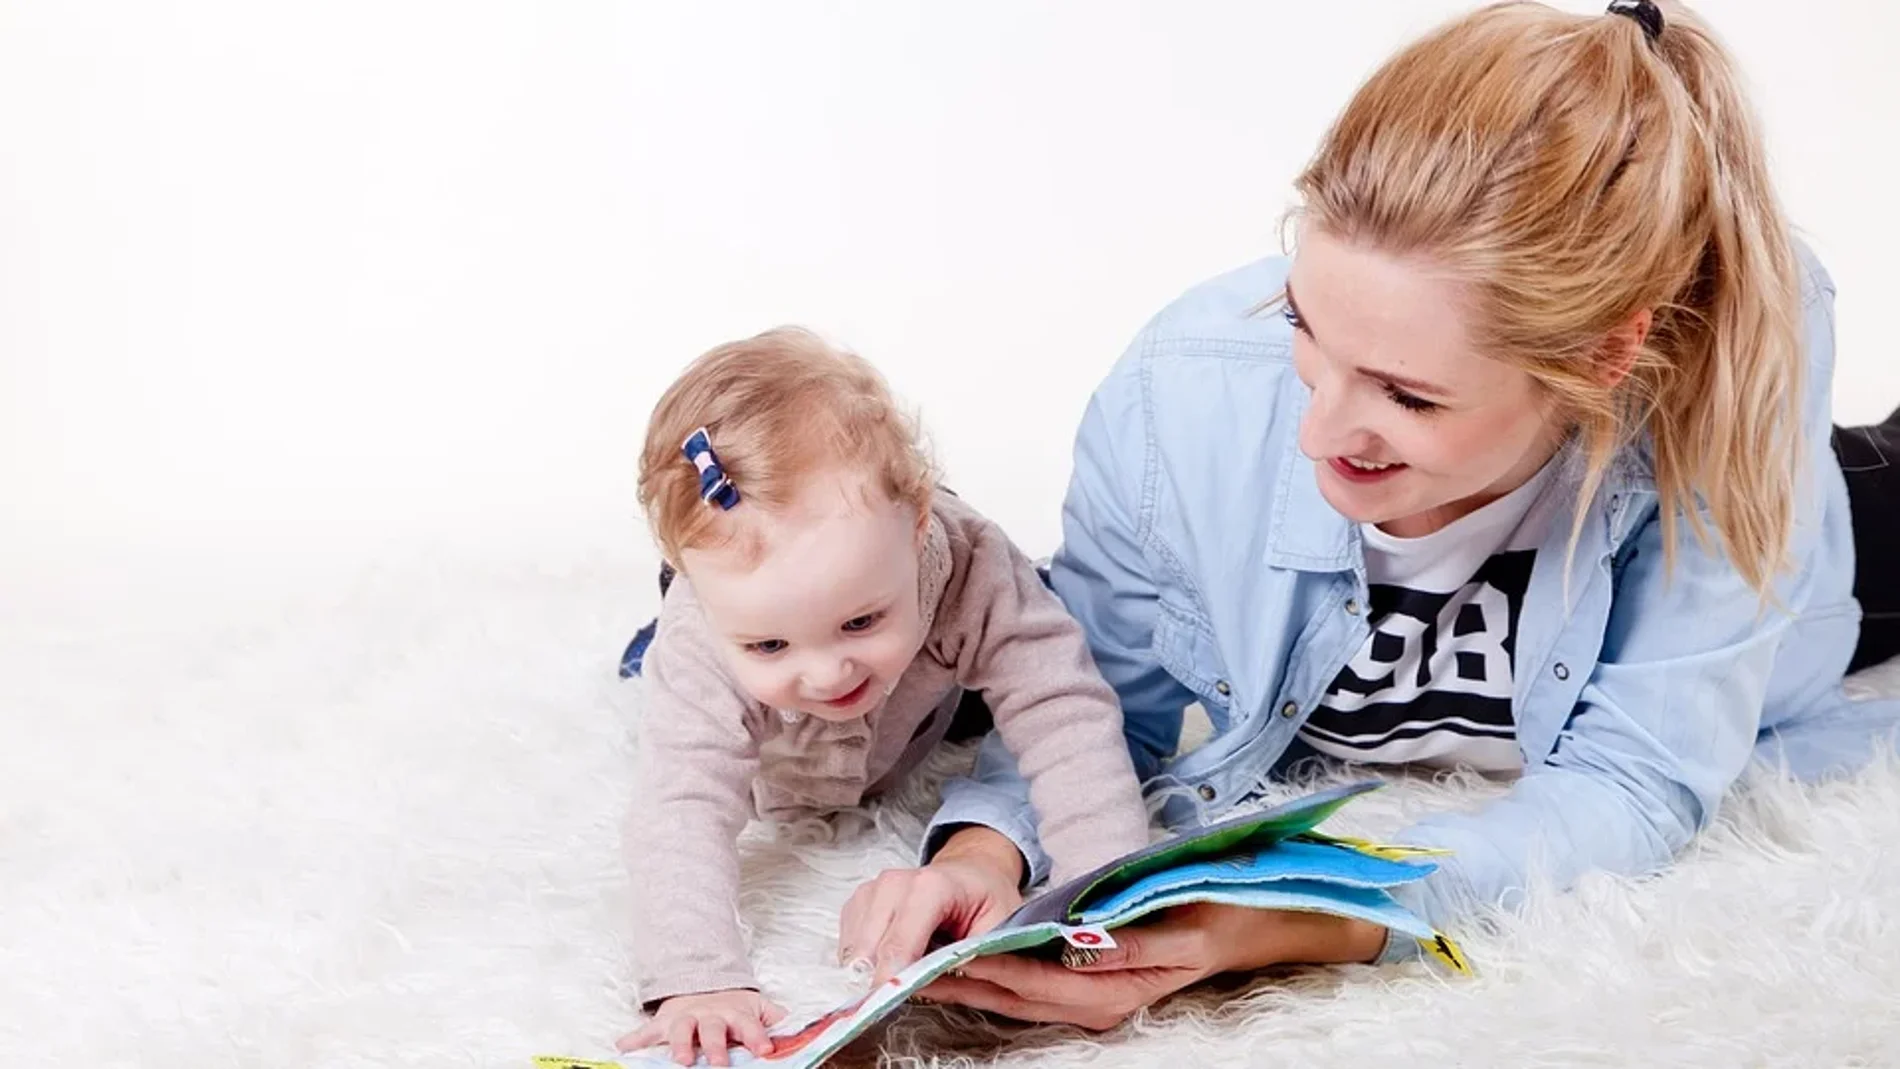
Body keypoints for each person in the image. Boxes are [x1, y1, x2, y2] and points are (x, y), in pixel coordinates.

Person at [838, 0, 1900, 1030]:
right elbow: (1088, 692)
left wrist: (1311, 916)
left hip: (1844, 548)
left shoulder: (1722, 387)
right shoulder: (1179, 398)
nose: (1318, 432)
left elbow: (1638, 779)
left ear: (1604, 358)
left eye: (1407, 394)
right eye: (1305, 327)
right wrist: (983, 851)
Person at [614, 327, 1152, 1065]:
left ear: (919, 520)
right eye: (770, 644)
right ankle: (663, 636)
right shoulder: (703, 638)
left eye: (860, 619)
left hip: (917, 706)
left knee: (1042, 628)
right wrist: (695, 977)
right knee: (663, 679)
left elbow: (1064, 708)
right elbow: (680, 803)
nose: (830, 674)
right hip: (777, 743)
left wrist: (1112, 885)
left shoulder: (968, 561)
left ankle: (914, 639)